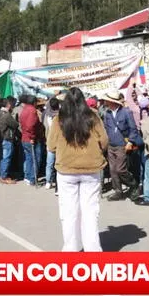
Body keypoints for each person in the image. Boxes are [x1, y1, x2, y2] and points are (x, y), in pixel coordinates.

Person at [47, 92, 108, 252]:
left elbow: (51, 146)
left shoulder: (58, 119)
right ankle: (93, 250)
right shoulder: (93, 117)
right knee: (90, 212)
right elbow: (104, 141)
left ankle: (70, 250)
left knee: (69, 213)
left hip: (66, 170)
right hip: (91, 168)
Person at [102, 90, 139, 201]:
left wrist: (130, 142)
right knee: (113, 170)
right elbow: (105, 128)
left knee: (120, 169)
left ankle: (133, 184)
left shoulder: (126, 112)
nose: (106, 102)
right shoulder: (107, 113)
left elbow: (133, 129)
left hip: (122, 145)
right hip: (111, 145)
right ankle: (118, 191)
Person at [19, 95, 45, 186]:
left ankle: (28, 176)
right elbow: (30, 126)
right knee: (35, 159)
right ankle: (32, 178)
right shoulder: (32, 110)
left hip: (25, 137)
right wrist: (32, 137)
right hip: (31, 138)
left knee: (29, 158)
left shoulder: (25, 109)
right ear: (34, 102)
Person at [0, 98, 19, 184]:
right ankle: (4, 177)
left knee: (3, 158)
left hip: (2, 138)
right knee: (6, 158)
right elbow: (15, 124)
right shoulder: (6, 115)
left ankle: (2, 175)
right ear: (7, 105)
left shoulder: (0, 113)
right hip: (7, 138)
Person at [44, 97, 60, 190]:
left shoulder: (47, 115)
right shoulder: (61, 116)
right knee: (58, 162)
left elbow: (44, 126)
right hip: (59, 142)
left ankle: (48, 181)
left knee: (49, 163)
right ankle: (57, 181)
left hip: (49, 141)